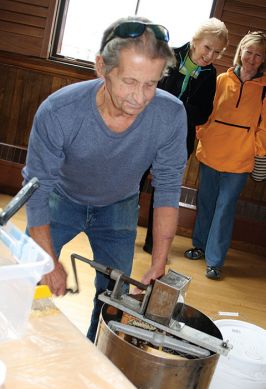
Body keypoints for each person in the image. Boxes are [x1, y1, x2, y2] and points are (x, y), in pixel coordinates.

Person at [22, 16, 188, 342]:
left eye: (151, 84)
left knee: (114, 295)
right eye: (129, 81)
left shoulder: (171, 115)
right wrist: (47, 259)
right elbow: (37, 190)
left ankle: (96, 356)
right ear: (101, 67)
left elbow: (168, 187)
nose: (139, 97)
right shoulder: (60, 111)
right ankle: (22, 348)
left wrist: (159, 262)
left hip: (119, 205)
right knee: (30, 275)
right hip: (60, 198)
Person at [142, 17, 229, 254]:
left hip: (178, 140)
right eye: (207, 47)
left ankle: (153, 243)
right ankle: (121, 229)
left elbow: (202, 115)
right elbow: (149, 89)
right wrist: (178, 104)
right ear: (195, 41)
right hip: (148, 132)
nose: (210, 55)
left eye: (217, 52)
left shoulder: (210, 74)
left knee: (164, 191)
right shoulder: (169, 55)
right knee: (134, 182)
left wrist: (178, 106)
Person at [184, 31, 266, 279]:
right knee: (206, 201)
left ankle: (215, 261)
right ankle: (199, 246)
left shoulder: (264, 89)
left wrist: (256, 150)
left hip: (240, 158)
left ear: (263, 59)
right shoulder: (220, 79)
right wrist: (202, 133)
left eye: (258, 55)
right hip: (211, 151)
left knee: (225, 207)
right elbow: (205, 111)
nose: (252, 58)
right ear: (241, 51)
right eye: (248, 52)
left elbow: (265, 127)